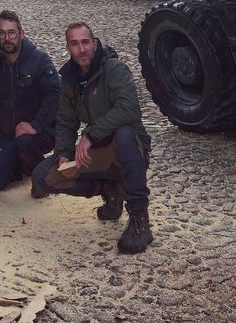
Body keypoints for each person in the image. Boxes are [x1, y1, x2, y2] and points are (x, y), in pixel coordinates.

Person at [30, 21, 154, 253]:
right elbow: (66, 122)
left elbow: (129, 110)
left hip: (126, 150)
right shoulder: (69, 80)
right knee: (43, 178)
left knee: (126, 135)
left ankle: (139, 218)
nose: (82, 49)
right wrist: (63, 155)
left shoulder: (114, 69)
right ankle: (110, 191)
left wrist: (89, 136)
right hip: (96, 156)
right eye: (75, 44)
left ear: (94, 44)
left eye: (85, 42)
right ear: (68, 47)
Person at [0, 9, 59, 194]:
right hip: (9, 134)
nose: (7, 38)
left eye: (11, 33)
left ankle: (45, 176)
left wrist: (36, 125)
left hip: (42, 132)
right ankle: (20, 165)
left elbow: (54, 94)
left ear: (21, 34)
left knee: (25, 142)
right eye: (2, 33)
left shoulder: (39, 60)